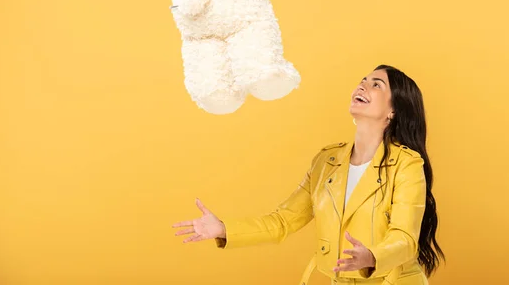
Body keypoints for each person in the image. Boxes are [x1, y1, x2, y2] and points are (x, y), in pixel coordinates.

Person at [173, 65, 445, 284]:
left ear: (393, 111)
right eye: (363, 80)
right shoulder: (326, 161)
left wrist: (372, 256)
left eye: (377, 84)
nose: (363, 85)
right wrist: (224, 229)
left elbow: (405, 239)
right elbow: (282, 221)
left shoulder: (407, 165)